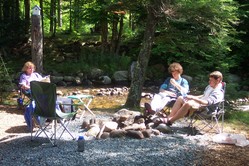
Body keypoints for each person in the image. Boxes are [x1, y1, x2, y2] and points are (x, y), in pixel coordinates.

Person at [155, 71, 224, 126]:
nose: (209, 82)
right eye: (209, 80)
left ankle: (170, 121)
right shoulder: (210, 87)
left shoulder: (218, 92)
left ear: (218, 80)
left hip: (206, 110)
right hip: (199, 105)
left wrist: (193, 98)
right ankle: (169, 117)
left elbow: (207, 102)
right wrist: (192, 97)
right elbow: (204, 96)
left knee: (188, 103)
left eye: (211, 80)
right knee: (180, 98)